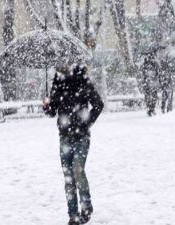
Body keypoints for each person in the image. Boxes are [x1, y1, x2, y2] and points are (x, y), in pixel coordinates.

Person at [43, 64, 104, 225]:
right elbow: (52, 112)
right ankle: (73, 214)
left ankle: (86, 207)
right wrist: (47, 106)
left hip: (82, 136)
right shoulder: (57, 82)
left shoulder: (82, 80)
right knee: (68, 177)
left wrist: (86, 123)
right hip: (64, 137)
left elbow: (98, 104)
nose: (60, 65)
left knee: (78, 170)